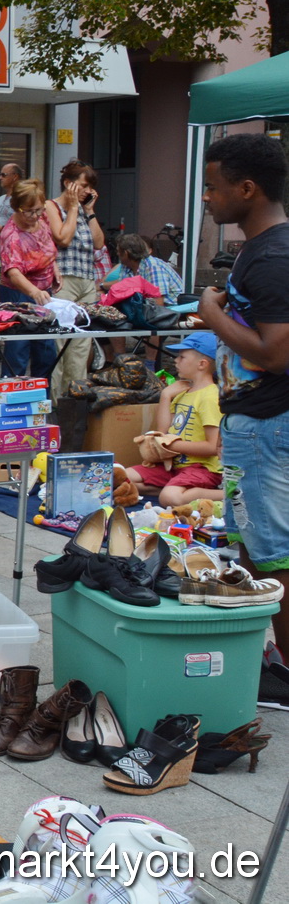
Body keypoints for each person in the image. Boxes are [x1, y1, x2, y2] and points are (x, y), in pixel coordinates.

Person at [199, 134, 289, 653]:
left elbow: (276, 353)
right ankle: (267, 657)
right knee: (256, 550)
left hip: (264, 426)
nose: (207, 197)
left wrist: (213, 316)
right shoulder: (264, 250)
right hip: (256, 425)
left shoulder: (274, 255)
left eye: (213, 187)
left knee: (273, 557)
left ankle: (283, 671)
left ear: (248, 189)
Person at [124, 332, 223, 506]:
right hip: (174, 466)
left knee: (169, 499)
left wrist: (169, 445)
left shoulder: (210, 397)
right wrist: (165, 395)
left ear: (202, 364)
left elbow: (213, 446)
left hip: (202, 468)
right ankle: (174, 487)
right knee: (123, 477)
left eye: (182, 357)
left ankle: (219, 494)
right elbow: (163, 431)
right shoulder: (182, 392)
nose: (176, 361)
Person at [44, 161, 105, 399]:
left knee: (82, 343)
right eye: (83, 186)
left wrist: (89, 212)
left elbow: (99, 243)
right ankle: (57, 400)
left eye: (90, 187)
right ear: (68, 184)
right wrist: (72, 208)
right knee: (60, 341)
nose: (87, 191)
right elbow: (63, 239)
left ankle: (75, 399)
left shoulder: (82, 209)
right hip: (64, 279)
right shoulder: (52, 206)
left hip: (86, 279)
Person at [0, 179, 59, 378]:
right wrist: (34, 292)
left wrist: (53, 267)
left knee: (46, 350)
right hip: (18, 293)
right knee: (18, 350)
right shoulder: (11, 235)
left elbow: (48, 248)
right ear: (17, 207)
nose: (35, 216)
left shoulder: (41, 220)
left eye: (39, 210)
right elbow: (13, 272)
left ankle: (43, 400)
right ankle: (13, 400)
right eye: (29, 211)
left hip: (43, 292)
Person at [104, 232, 184, 301]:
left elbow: (158, 303)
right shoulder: (126, 266)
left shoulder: (153, 267)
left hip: (172, 311)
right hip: (144, 307)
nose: (117, 254)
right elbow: (121, 292)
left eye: (118, 251)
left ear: (126, 253)